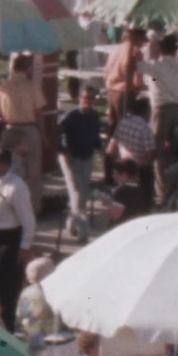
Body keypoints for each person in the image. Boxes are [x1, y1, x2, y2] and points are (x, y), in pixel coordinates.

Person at [0, 148, 36, 334]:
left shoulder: (16, 186)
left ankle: (8, 329)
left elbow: (28, 220)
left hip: (10, 240)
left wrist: (24, 247)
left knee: (7, 288)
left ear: (5, 165)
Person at [0, 54, 47, 212]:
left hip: (10, 128)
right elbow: (38, 112)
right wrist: (43, 133)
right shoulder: (32, 87)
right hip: (30, 129)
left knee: (8, 167)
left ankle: (7, 203)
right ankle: (33, 206)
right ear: (28, 69)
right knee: (34, 168)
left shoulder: (3, 87)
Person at [58, 87, 111, 242]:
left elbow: (95, 137)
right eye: (85, 98)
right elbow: (57, 133)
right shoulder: (71, 116)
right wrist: (63, 151)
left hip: (86, 158)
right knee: (78, 193)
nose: (87, 101)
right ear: (80, 99)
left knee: (82, 192)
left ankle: (71, 223)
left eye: (91, 98)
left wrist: (101, 150)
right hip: (70, 158)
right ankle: (84, 232)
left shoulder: (94, 116)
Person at [137, 34, 178, 162]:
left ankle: (158, 178)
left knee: (157, 146)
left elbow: (138, 66)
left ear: (160, 50)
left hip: (162, 108)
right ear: (175, 51)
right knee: (176, 146)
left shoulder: (156, 66)